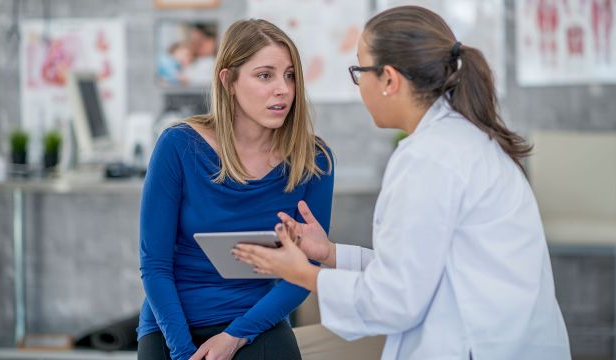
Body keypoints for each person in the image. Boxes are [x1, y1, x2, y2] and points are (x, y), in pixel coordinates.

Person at [233, 6, 571, 360]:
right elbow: (420, 267)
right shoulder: (462, 140)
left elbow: (395, 301)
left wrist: (302, 274)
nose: (360, 83)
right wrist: (330, 254)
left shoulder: (427, 159)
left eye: (359, 71)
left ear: (389, 80)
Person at [137, 19, 334, 360]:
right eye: (265, 75)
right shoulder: (179, 145)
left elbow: (305, 270)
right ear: (228, 81)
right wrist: (183, 352)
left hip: (256, 321)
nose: (283, 89)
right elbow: (155, 265)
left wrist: (235, 335)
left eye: (289, 75)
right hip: (172, 323)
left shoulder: (313, 159)